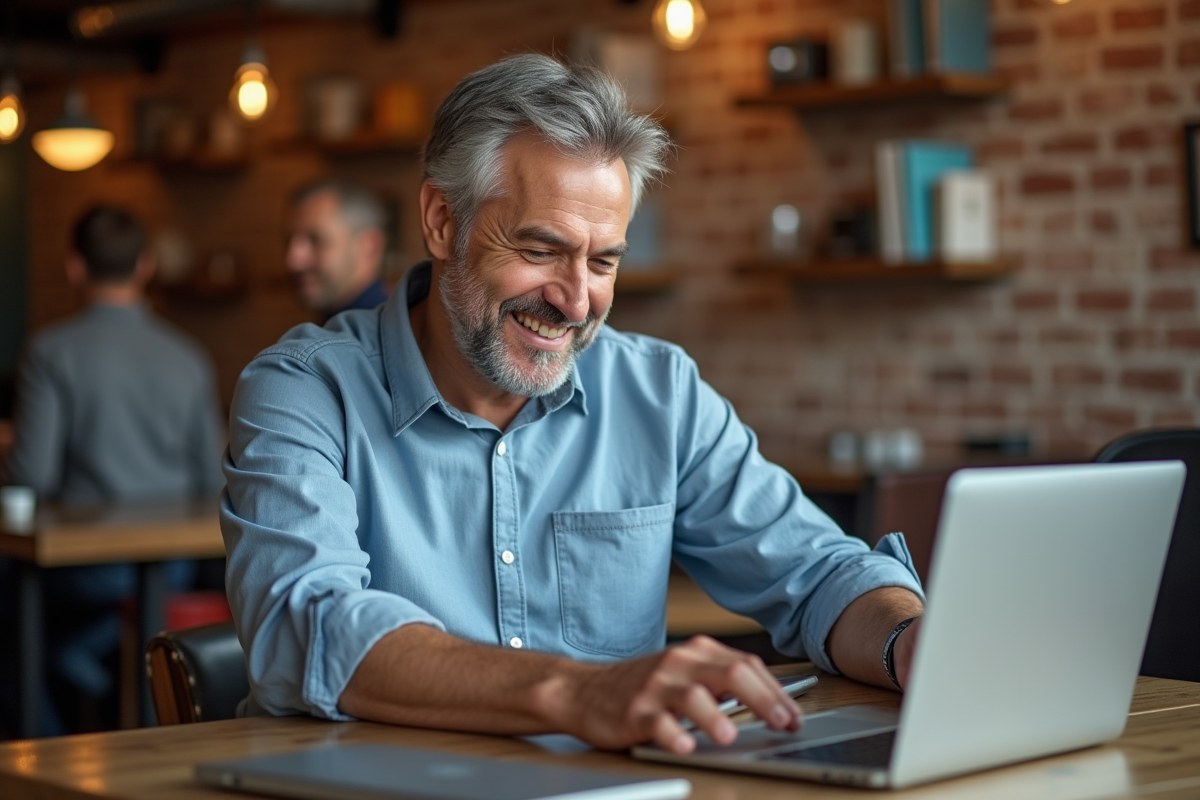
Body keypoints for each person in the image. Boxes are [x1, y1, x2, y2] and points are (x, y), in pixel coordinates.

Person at [222, 55, 925, 755]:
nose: (576, 299)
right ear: (442, 221)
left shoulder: (658, 392)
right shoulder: (304, 391)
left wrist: (909, 640)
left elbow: (822, 574)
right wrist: (574, 691)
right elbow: (304, 623)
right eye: (540, 248)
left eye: (603, 261)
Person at [4, 205, 225, 733]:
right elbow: (212, 478)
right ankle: (86, 672)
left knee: (14, 634)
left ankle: (45, 757)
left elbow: (31, 476)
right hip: (170, 570)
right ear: (145, 266)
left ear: (75, 267)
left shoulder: (51, 351)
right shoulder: (189, 356)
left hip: (80, 573)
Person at [285, 180, 390, 320]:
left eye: (316, 240)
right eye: (287, 241)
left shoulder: (382, 335)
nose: (293, 262)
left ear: (370, 246)